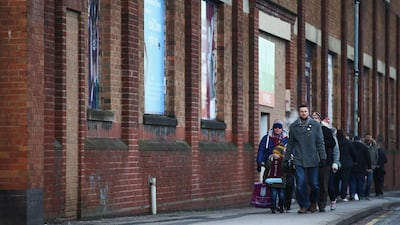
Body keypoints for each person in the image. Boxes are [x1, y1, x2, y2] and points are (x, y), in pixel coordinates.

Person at [284, 104, 326, 214]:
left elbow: (320, 142)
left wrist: (323, 157)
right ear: (299, 113)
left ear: (308, 112)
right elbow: (290, 144)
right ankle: (303, 205)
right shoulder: (294, 127)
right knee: (300, 184)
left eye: (305, 111)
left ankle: (313, 202)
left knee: (314, 184)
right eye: (301, 111)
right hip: (299, 158)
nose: (303, 113)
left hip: (313, 158)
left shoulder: (315, 125)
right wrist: (286, 159)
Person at [256, 119, 289, 210]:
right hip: (270, 163)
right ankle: (274, 203)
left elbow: (291, 149)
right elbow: (261, 149)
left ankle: (281, 203)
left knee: (283, 185)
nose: (277, 129)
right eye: (275, 127)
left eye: (279, 127)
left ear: (282, 129)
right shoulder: (266, 138)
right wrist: (259, 161)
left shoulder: (286, 139)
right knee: (271, 185)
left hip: (282, 164)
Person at [310, 113, 340, 212]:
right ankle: (313, 203)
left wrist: (335, 162)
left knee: (323, 184)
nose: (314, 120)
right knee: (313, 183)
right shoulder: (308, 130)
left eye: (316, 118)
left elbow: (334, 147)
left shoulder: (326, 131)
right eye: (313, 118)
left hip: (325, 161)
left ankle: (322, 204)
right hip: (312, 161)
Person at [335, 130, 356, 203]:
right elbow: (353, 152)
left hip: (337, 162)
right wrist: (355, 161)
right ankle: (343, 195)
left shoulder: (336, 141)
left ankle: (336, 194)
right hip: (347, 163)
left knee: (336, 180)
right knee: (345, 180)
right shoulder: (348, 142)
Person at [264, 144, 286, 213]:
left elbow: (286, 170)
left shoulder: (283, 162)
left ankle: (281, 206)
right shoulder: (270, 161)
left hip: (281, 181)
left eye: (277, 153)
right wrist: (264, 178)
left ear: (280, 155)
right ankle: (273, 207)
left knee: (281, 196)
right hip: (272, 180)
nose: (275, 155)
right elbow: (267, 170)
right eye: (274, 153)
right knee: (273, 195)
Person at [349, 136, 371, 201]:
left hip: (352, 167)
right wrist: (369, 167)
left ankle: (352, 194)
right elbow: (368, 158)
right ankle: (360, 195)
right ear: (360, 140)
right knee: (360, 182)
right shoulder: (364, 147)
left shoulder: (351, 146)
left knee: (352, 181)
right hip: (362, 167)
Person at [364, 134, 378, 200]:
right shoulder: (363, 147)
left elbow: (376, 157)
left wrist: (374, 166)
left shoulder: (374, 148)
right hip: (364, 167)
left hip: (371, 167)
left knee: (369, 181)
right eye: (367, 140)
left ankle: (367, 194)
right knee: (363, 181)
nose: (368, 141)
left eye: (369, 140)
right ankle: (362, 194)